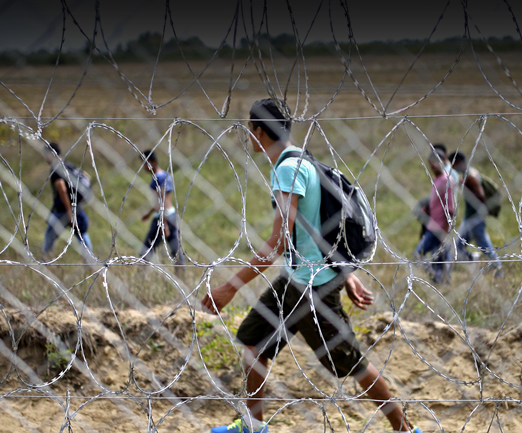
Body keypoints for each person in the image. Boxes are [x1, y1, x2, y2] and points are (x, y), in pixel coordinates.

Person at [201, 98, 420, 433]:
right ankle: (253, 425)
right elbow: (317, 227)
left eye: (250, 132)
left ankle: (405, 429)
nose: (249, 138)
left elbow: (279, 241)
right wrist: (346, 275)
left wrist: (229, 287)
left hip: (311, 287)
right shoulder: (301, 159)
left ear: (258, 132)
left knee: (352, 364)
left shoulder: (288, 170)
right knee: (252, 341)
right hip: (295, 279)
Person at [448, 151, 503, 277]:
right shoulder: (470, 173)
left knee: (483, 245)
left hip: (475, 218)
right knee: (459, 246)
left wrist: (465, 187)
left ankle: (497, 268)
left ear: (457, 163)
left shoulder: (470, 176)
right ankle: (478, 259)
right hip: (470, 218)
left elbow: (481, 195)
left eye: (452, 164)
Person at [42, 142, 94, 259]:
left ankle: (45, 261)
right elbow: (87, 176)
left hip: (62, 209)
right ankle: (90, 260)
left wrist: (69, 212)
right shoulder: (69, 165)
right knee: (82, 234)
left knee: (49, 236)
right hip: (77, 206)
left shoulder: (56, 168)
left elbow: (62, 189)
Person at [140, 149, 185, 276]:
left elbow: (162, 202)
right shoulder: (165, 175)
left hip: (162, 217)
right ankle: (182, 276)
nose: (143, 167)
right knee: (175, 249)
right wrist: (149, 213)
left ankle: (141, 277)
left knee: (146, 250)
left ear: (153, 163)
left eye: (145, 163)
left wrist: (163, 223)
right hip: (172, 215)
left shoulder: (157, 178)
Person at [413, 149, 455, 284]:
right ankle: (440, 280)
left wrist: (445, 230)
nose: (433, 167)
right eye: (431, 164)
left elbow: (450, 209)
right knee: (439, 258)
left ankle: (439, 279)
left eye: (436, 163)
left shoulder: (446, 180)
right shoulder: (437, 180)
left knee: (419, 255)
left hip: (440, 228)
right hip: (432, 225)